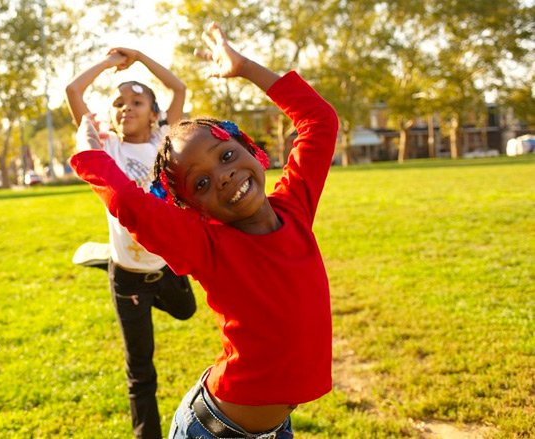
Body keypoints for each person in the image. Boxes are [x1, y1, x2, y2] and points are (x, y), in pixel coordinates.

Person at [71, 23, 338, 439]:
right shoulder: (207, 245)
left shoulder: (295, 207)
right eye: (201, 184)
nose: (225, 177)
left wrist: (246, 67)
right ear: (192, 210)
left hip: (274, 429)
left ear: (251, 148)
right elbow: (127, 201)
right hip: (213, 431)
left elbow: (319, 120)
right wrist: (88, 148)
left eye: (227, 155)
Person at [65, 48, 196, 439]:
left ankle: (112, 259)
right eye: (119, 103)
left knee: (187, 310)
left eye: (136, 102)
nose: (126, 107)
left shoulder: (165, 140)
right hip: (128, 277)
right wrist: (108, 64)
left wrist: (139, 58)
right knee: (140, 369)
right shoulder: (107, 146)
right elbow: (74, 91)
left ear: (153, 113)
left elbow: (178, 87)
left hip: (166, 265)